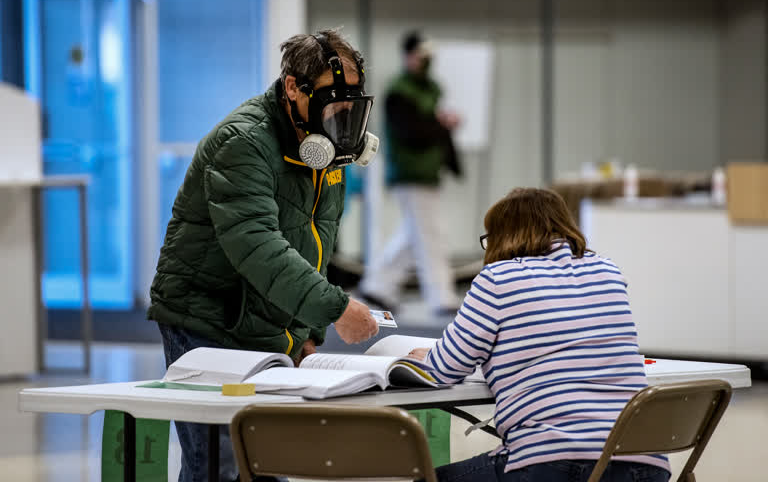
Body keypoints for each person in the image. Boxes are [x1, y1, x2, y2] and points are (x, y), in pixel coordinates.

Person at [147, 29, 380, 482]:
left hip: (263, 320)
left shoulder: (324, 153)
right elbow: (258, 247)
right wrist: (333, 308)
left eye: (350, 106)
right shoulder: (244, 142)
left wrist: (306, 332)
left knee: (265, 460)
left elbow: (316, 243)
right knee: (217, 463)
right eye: (333, 103)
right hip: (207, 319)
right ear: (293, 87)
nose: (342, 117)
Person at [408, 188, 671, 482]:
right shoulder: (608, 272)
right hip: (645, 462)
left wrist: (427, 358)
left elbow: (444, 370)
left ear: (502, 236)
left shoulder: (498, 279)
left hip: (553, 462)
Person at [359, 30, 463, 316]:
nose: (425, 62)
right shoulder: (400, 92)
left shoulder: (429, 89)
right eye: (420, 56)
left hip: (427, 172)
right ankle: (441, 295)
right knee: (430, 235)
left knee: (412, 234)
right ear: (408, 56)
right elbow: (411, 132)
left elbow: (428, 127)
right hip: (410, 173)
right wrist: (442, 125)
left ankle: (378, 286)